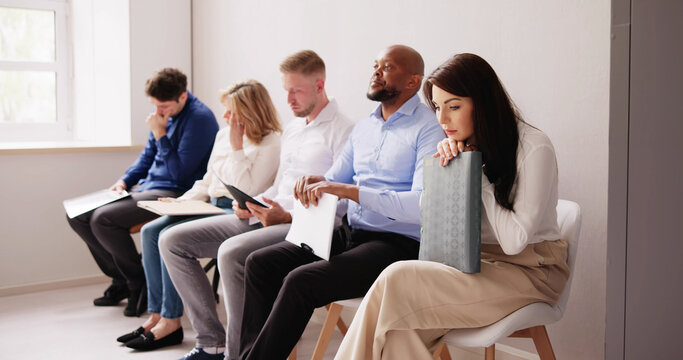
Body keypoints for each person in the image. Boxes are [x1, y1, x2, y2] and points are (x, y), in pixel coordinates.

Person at [333, 53, 570, 360]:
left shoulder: (533, 147)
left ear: (483, 103)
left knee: (395, 278)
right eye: (437, 107)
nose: (442, 120)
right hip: (472, 266)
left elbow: (514, 243)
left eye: (454, 106)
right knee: (399, 329)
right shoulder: (460, 144)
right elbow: (435, 226)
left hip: (530, 272)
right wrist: (449, 172)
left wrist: (475, 172)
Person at [237, 44, 445, 360]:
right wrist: (315, 185)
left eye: (387, 67)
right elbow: (332, 182)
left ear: (413, 81)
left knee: (301, 281)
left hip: (398, 246)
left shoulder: (429, 127)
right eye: (375, 64)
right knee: (260, 263)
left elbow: (419, 205)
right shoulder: (364, 128)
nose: (376, 71)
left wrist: (347, 190)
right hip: (351, 236)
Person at [160, 50, 354, 360]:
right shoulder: (293, 129)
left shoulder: (343, 130)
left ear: (320, 86)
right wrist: (254, 203)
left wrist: (285, 214)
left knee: (232, 253)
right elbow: (279, 185)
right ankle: (212, 341)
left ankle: (237, 355)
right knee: (172, 240)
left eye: (296, 90)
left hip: (308, 226)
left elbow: (340, 205)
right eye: (285, 90)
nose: (288, 98)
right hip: (271, 215)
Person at [117, 80, 282, 351]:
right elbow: (207, 181)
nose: (226, 117)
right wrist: (179, 202)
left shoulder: (271, 142)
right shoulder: (223, 136)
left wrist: (238, 146)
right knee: (150, 231)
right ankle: (158, 316)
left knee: (168, 237)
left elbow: (248, 189)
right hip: (210, 206)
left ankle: (171, 321)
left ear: (250, 111)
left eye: (231, 111)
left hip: (238, 211)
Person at [66, 68, 218, 317]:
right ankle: (124, 279)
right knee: (77, 215)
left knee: (103, 219)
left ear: (182, 96)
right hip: (146, 187)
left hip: (176, 191)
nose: (159, 112)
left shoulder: (200, 119)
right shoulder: (163, 114)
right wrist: (124, 181)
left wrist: (160, 133)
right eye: (155, 106)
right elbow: (147, 157)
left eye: (165, 106)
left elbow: (179, 174)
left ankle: (137, 283)